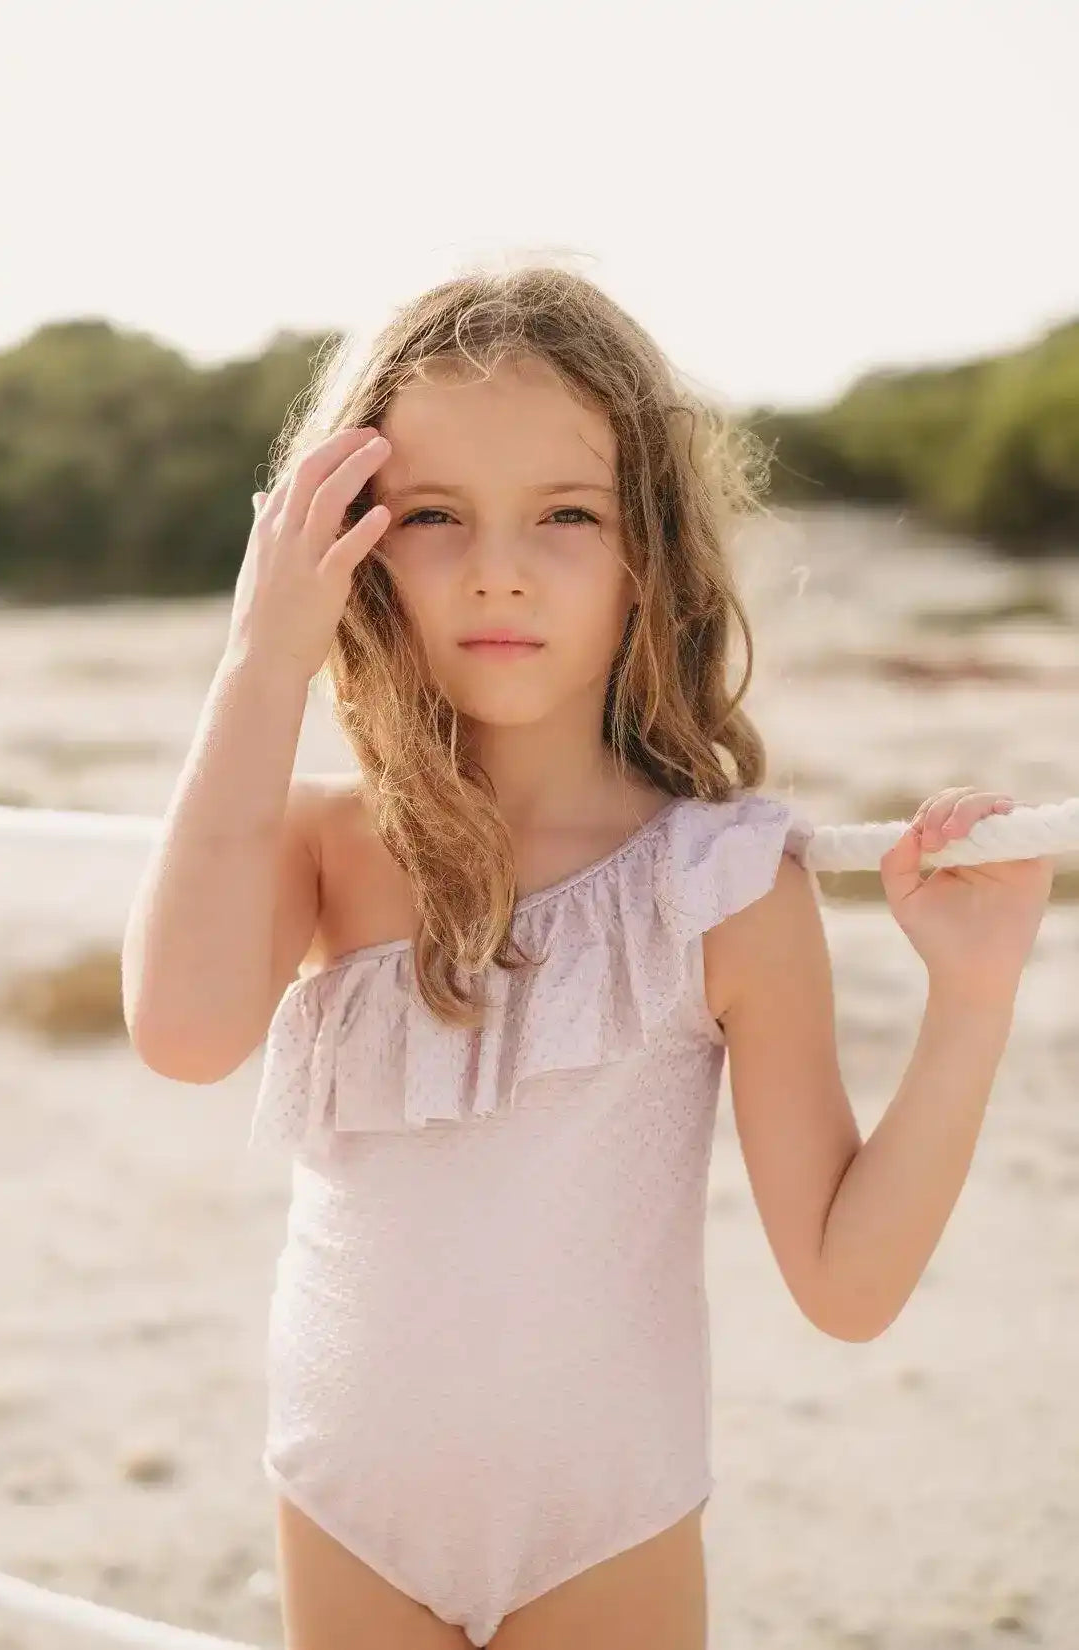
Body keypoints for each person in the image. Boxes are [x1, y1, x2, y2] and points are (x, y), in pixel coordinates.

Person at [121, 265, 1054, 1650]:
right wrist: (264, 658)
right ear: (355, 542)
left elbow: (846, 1286)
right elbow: (182, 1028)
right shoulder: (325, 845)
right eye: (435, 515)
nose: (499, 566)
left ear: (650, 555)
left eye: (567, 514)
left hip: (603, 1526)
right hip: (345, 1497)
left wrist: (971, 1000)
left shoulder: (722, 878)